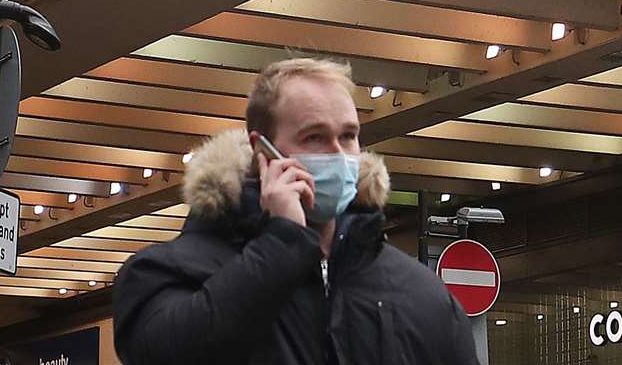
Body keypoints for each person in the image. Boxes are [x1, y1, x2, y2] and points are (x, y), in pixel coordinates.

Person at [113, 57, 479, 364]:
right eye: (314, 137)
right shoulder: (166, 273)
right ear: (262, 151)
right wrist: (281, 243)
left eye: (348, 136)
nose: (338, 154)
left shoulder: (421, 293)